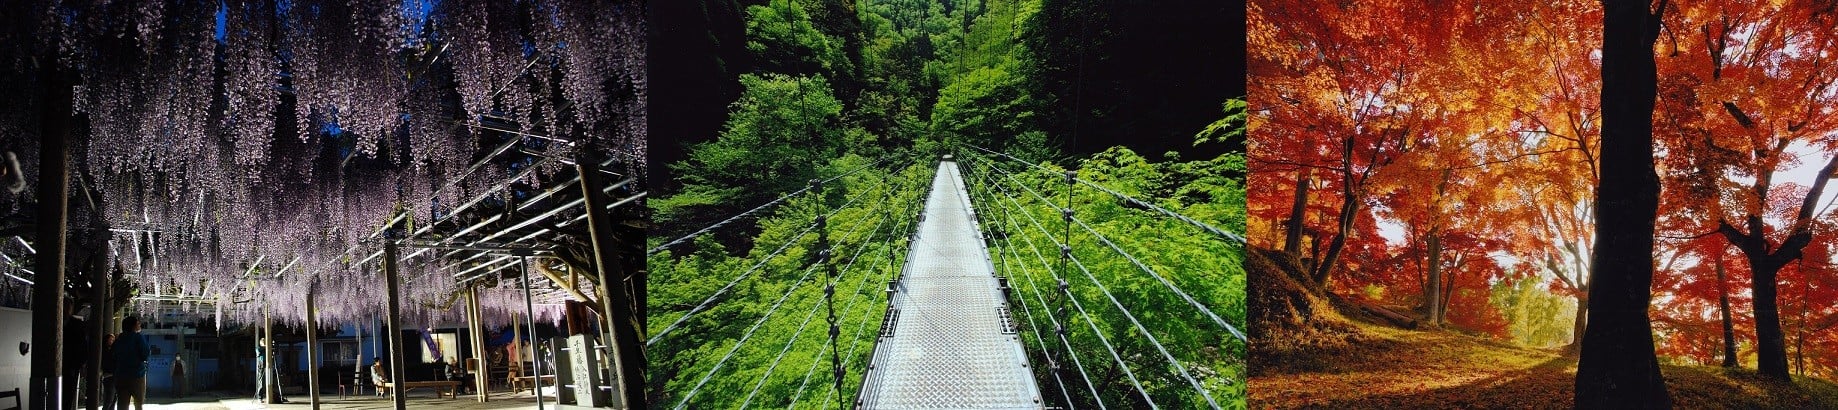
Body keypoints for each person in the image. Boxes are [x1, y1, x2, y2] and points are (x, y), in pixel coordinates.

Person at [110, 316, 150, 410]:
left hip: (121, 375)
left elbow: (113, 356)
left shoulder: (119, 339)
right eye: (138, 323)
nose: (139, 325)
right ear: (133, 326)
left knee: (122, 404)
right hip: (137, 375)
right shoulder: (138, 337)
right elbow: (145, 354)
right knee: (138, 403)